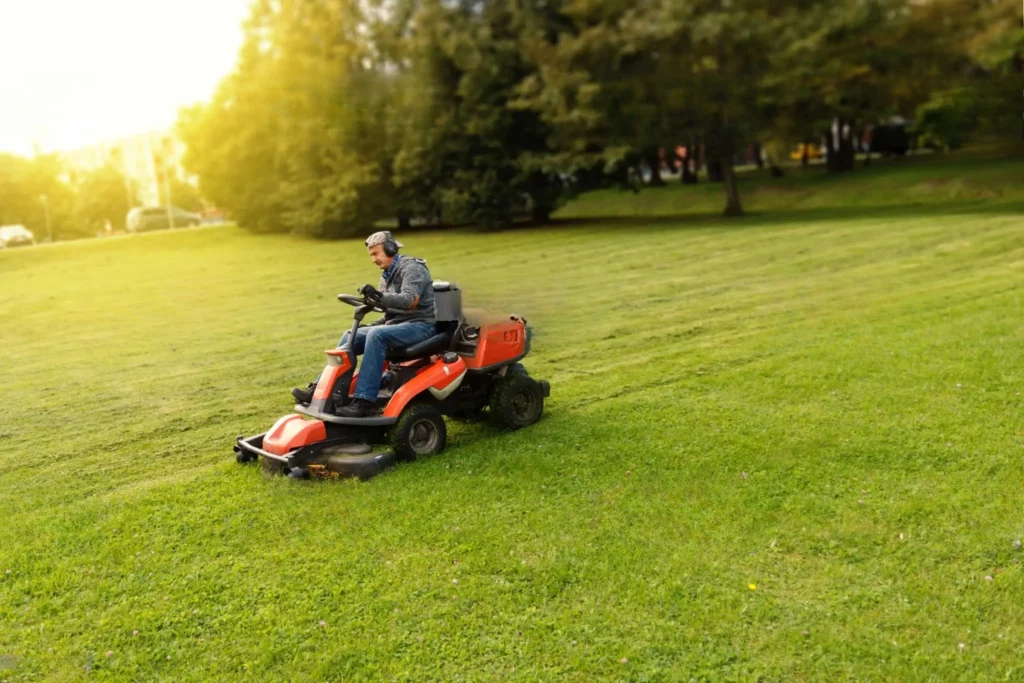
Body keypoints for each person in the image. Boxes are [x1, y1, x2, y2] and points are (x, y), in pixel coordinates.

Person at [291, 231, 437, 417]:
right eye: (371, 255)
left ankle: (364, 401)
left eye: (376, 254)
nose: (373, 259)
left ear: (391, 248)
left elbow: (410, 300)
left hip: (421, 326)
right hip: (397, 325)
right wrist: (371, 315)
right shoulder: (387, 275)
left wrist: (379, 296)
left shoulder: (412, 268)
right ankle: (320, 390)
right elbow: (388, 312)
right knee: (350, 335)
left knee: (377, 335)